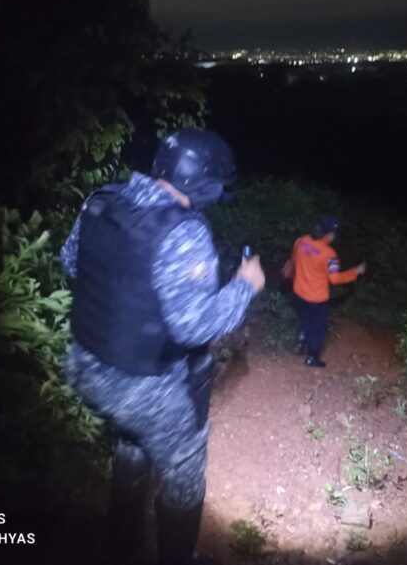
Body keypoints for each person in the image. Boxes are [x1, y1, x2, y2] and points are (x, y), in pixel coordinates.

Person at [60, 129, 265, 565]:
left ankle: (120, 545)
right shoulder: (183, 229)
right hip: (138, 380)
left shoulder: (103, 199)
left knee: (134, 439)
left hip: (84, 362)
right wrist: (244, 287)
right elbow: (195, 327)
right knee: (186, 462)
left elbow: (70, 262)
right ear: (204, 184)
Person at [290, 216, 365, 367]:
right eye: (334, 233)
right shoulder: (329, 255)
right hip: (317, 298)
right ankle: (312, 357)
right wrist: (355, 271)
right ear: (328, 234)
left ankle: (300, 341)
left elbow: (294, 260)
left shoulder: (301, 241)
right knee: (319, 326)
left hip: (299, 291)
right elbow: (335, 279)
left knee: (305, 317)